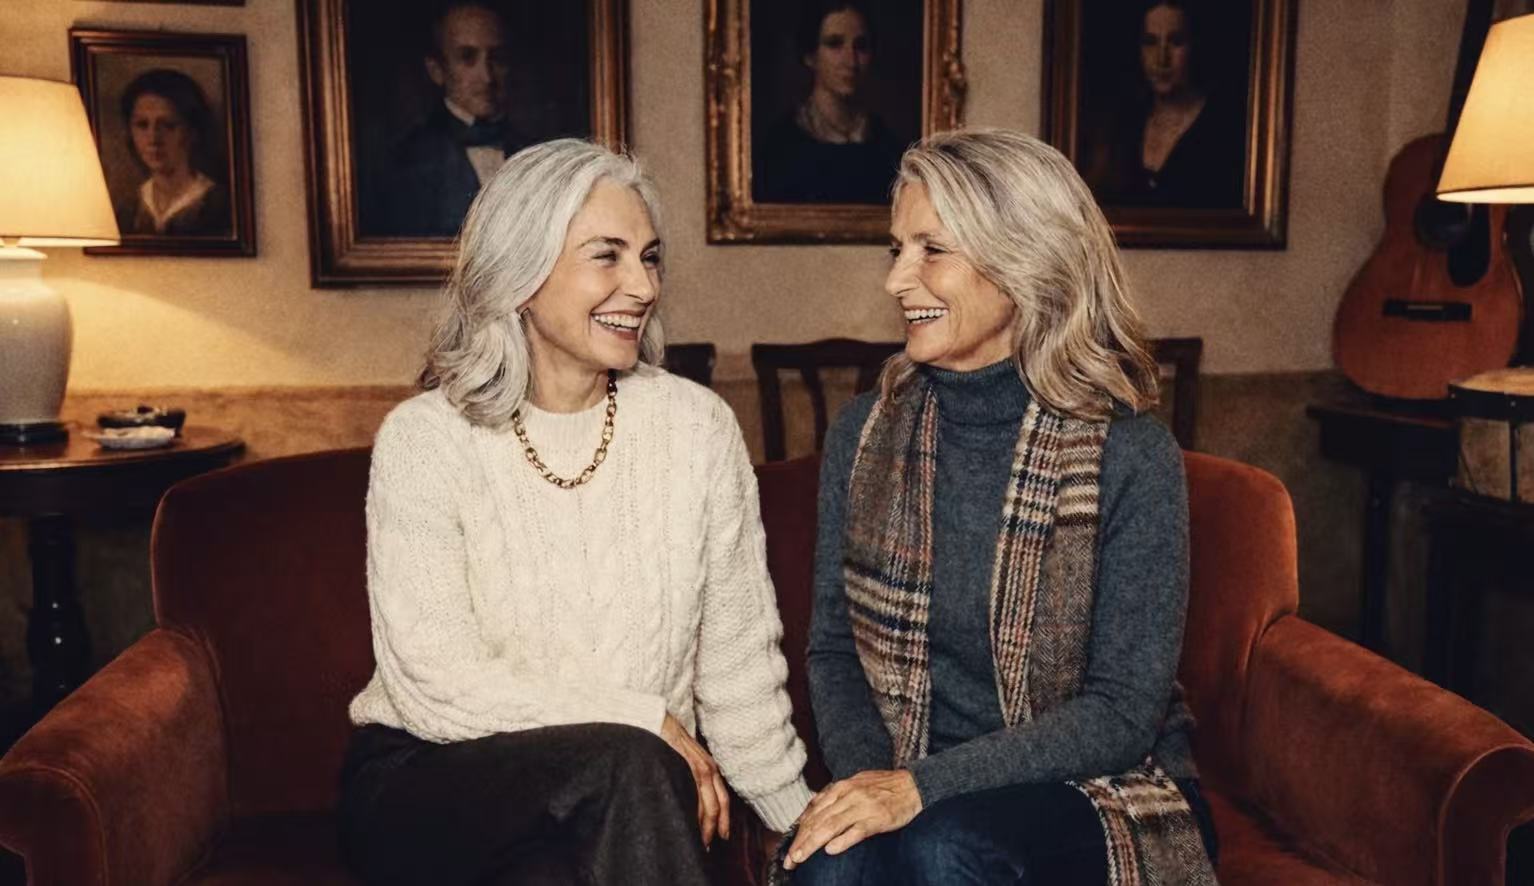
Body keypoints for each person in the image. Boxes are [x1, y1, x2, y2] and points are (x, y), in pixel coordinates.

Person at [338, 139, 813, 885]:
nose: (643, 286)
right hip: (434, 778)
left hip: (622, 799)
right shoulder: (426, 439)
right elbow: (437, 682)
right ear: (522, 275)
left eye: (649, 258)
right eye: (607, 256)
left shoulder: (697, 428)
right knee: (632, 763)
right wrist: (640, 715)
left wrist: (798, 827)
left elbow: (737, 667)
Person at [785, 129, 1219, 884]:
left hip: (1103, 787)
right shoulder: (864, 435)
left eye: (931, 249)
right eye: (896, 249)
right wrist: (870, 789)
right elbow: (833, 649)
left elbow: (1121, 714)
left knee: (945, 849)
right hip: (916, 779)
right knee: (831, 866)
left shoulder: (1131, 455)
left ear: (1024, 264)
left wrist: (920, 790)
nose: (897, 280)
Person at [369, 1, 529, 236]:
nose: (487, 76)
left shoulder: (533, 153)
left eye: (497, 58)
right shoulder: (402, 163)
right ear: (437, 70)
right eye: (467, 58)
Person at [1083, 0, 1244, 209]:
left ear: (1195, 45)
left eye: (1176, 42)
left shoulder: (1224, 126)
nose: (1161, 58)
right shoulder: (1122, 124)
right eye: (1150, 42)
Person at [754, 0, 905, 204]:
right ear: (810, 56)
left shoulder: (888, 148)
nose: (851, 61)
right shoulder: (780, 147)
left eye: (861, 46)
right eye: (835, 44)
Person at [114, 69, 230, 237]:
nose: (153, 139)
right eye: (142, 125)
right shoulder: (128, 209)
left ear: (192, 132)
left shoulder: (218, 205)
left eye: (168, 125)